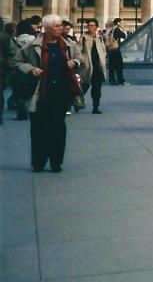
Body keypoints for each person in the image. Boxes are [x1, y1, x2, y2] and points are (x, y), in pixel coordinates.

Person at [15, 14, 84, 172]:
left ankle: (56, 162)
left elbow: (80, 57)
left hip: (61, 92)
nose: (61, 28)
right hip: (41, 92)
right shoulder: (33, 45)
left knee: (58, 128)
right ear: (46, 28)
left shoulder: (68, 44)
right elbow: (17, 61)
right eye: (57, 26)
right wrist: (31, 69)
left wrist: (75, 62)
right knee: (39, 128)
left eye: (60, 25)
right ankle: (38, 162)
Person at [79, 18, 107, 114]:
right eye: (89, 25)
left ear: (96, 27)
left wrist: (104, 58)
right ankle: (77, 102)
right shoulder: (84, 37)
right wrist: (82, 60)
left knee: (97, 89)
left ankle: (96, 107)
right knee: (84, 86)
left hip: (98, 67)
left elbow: (103, 49)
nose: (90, 27)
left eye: (92, 25)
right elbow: (79, 51)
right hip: (87, 66)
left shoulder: (99, 37)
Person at [105, 18, 127, 85]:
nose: (122, 23)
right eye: (121, 22)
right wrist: (123, 29)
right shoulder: (117, 29)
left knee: (112, 66)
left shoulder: (112, 29)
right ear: (118, 23)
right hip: (115, 50)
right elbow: (124, 36)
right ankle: (121, 81)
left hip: (110, 50)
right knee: (119, 66)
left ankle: (112, 81)